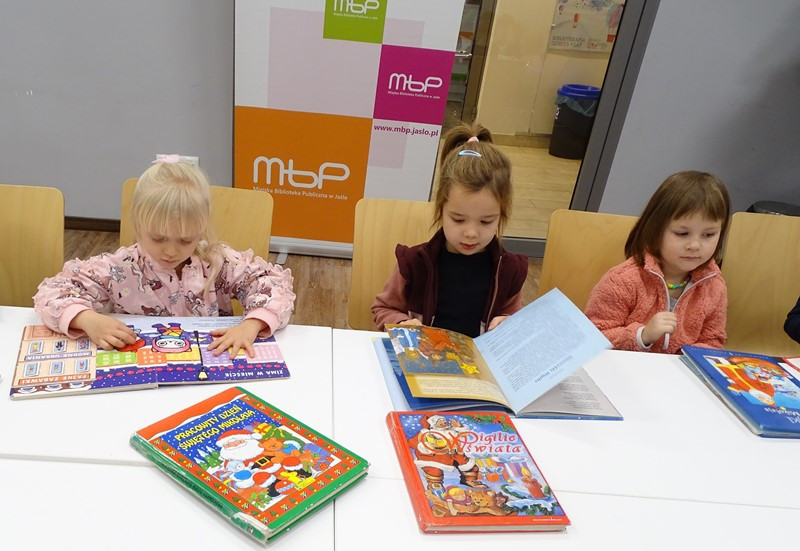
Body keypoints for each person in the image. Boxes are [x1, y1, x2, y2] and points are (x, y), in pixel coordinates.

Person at [34, 158, 295, 356]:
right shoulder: (120, 268)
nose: (170, 251)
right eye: (158, 239)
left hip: (208, 366)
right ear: (138, 227)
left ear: (201, 229)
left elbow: (273, 284)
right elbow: (53, 291)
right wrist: (87, 319)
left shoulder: (218, 261)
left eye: (185, 240)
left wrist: (252, 324)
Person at [371, 122, 528, 338]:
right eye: (458, 219)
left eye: (486, 222)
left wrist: (510, 323)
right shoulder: (414, 263)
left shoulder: (509, 270)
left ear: (502, 215)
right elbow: (383, 308)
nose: (471, 233)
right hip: (424, 354)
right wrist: (402, 323)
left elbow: (515, 319)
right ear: (441, 209)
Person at [584, 171, 731, 354]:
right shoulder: (622, 280)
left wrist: (688, 357)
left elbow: (713, 341)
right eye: (682, 234)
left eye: (708, 235)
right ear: (655, 229)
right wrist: (642, 335)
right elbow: (593, 336)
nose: (695, 245)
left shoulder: (714, 285)